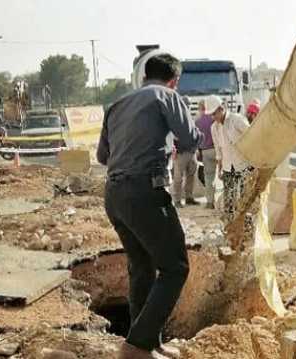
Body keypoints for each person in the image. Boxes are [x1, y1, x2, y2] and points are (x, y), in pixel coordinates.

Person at [97, 53, 202, 359]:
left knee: (142, 268)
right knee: (175, 267)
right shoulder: (167, 96)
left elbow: (103, 157)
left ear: (144, 76)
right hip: (145, 191)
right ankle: (137, 346)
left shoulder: (116, 105)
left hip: (114, 196)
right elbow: (190, 138)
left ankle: (148, 342)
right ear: (175, 80)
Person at [208, 95, 255, 250]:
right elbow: (218, 150)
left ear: (221, 109)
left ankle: (247, 235)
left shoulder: (237, 120)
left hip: (243, 166)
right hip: (228, 168)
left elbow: (251, 137)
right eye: (212, 115)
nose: (214, 117)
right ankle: (230, 234)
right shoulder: (214, 128)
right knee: (228, 203)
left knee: (244, 202)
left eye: (215, 114)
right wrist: (219, 169)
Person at [195, 101, 217, 209]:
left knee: (209, 177)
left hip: (205, 151)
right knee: (223, 176)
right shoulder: (213, 119)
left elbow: (196, 139)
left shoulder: (197, 122)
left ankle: (210, 202)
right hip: (217, 149)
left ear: (200, 109)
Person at [171, 137, 199, 207]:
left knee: (191, 176)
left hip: (192, 152)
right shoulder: (175, 126)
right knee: (178, 178)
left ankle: (189, 198)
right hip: (179, 153)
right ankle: (177, 200)